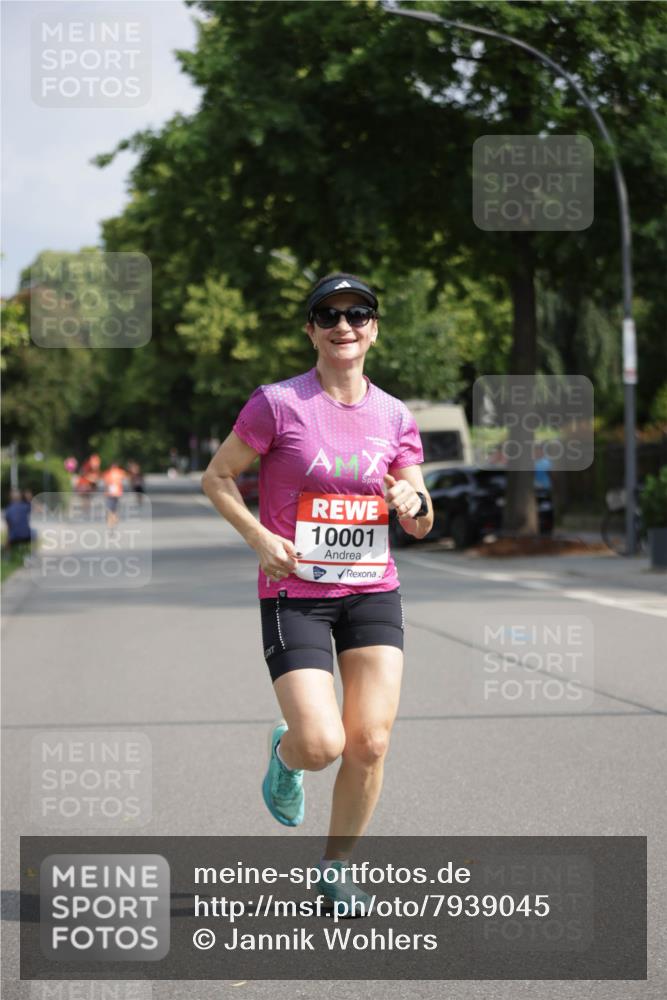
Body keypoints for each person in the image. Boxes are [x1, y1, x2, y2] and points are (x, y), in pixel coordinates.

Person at [202, 272, 433, 916]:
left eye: (357, 315)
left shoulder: (395, 415)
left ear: (374, 330)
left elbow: (421, 518)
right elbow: (218, 477)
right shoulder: (278, 404)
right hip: (295, 593)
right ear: (311, 331)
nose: (343, 326)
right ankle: (287, 754)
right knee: (323, 744)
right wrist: (259, 537)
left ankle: (336, 871)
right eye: (328, 315)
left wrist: (413, 501)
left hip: (373, 590)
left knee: (371, 741)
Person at [3, 489, 34, 555]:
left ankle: (9, 555)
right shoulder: (25, 506)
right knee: (34, 532)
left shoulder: (8, 509)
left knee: (9, 539)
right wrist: (29, 498)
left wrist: (7, 540)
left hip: (14, 537)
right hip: (27, 536)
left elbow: (8, 527)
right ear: (20, 497)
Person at [102, 461, 128, 528]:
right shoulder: (119, 472)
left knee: (110, 507)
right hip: (116, 493)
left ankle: (111, 520)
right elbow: (125, 477)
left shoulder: (108, 473)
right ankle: (113, 519)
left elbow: (106, 483)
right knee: (113, 507)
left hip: (111, 493)